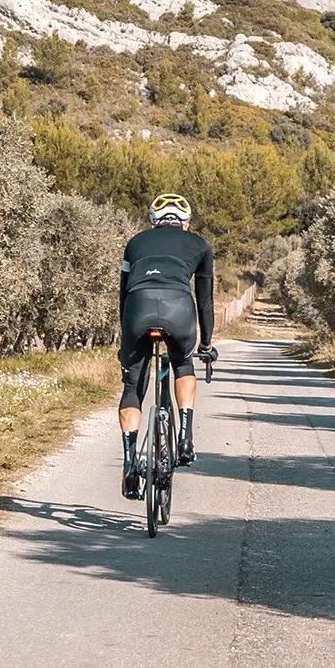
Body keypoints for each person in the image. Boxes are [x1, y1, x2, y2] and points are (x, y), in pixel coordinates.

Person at [117, 192, 219, 499]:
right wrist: (207, 343)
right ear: (185, 222)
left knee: (132, 386)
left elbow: (123, 294)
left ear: (153, 221)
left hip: (138, 307)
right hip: (178, 308)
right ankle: (185, 438)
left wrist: (126, 338)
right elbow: (205, 301)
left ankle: (130, 464)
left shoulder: (135, 242)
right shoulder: (200, 244)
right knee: (183, 364)